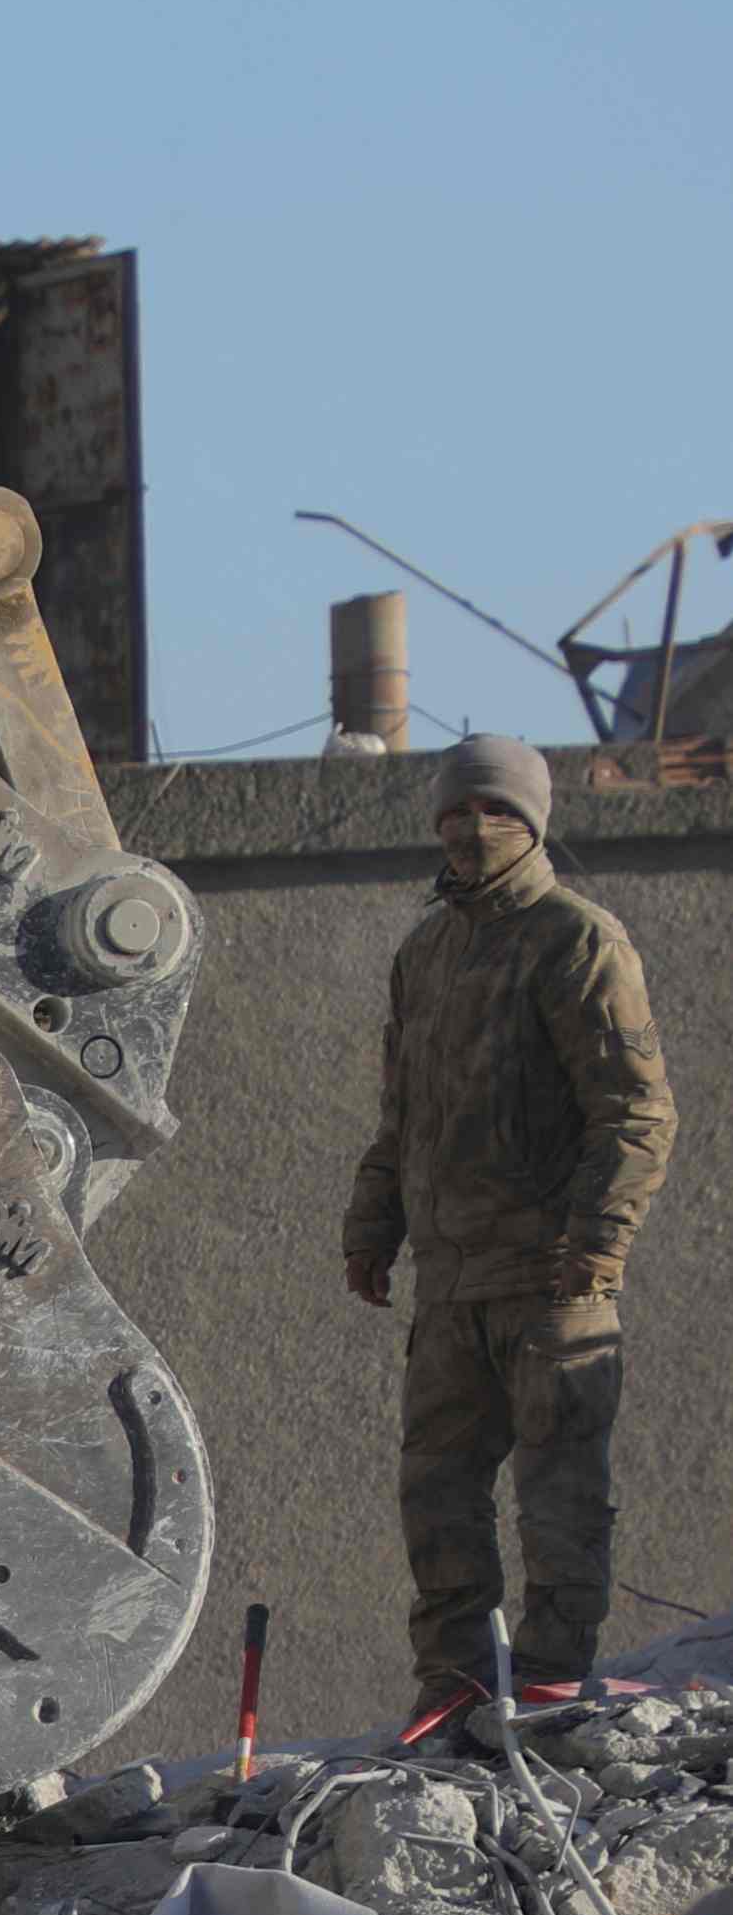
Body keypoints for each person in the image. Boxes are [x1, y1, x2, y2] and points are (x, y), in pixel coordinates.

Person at [350, 731, 676, 1721]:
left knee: (557, 1492)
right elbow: (400, 1117)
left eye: (492, 809)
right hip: (450, 1284)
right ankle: (450, 1682)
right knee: (435, 1492)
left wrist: (596, 1241)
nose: (468, 827)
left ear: (529, 820)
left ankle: (547, 1672)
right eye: (453, 809)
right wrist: (372, 1224)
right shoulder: (424, 953)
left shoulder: (574, 938)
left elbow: (635, 1111)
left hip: (550, 1277)